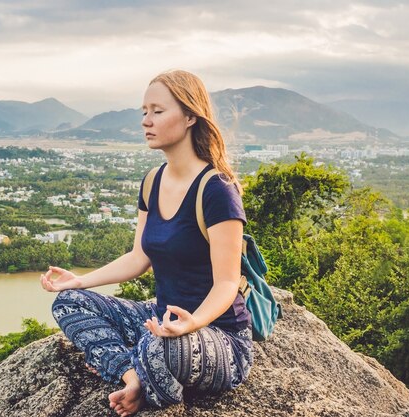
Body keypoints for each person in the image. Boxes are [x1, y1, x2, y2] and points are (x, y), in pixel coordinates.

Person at [40, 69, 252, 416]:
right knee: (69, 302)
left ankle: (143, 374)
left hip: (215, 336)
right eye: (144, 111)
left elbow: (228, 282)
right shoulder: (152, 182)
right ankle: (133, 377)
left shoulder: (217, 191)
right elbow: (139, 257)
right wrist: (80, 280)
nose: (146, 121)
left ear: (189, 116)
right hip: (159, 319)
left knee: (165, 346)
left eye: (157, 111)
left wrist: (192, 323)